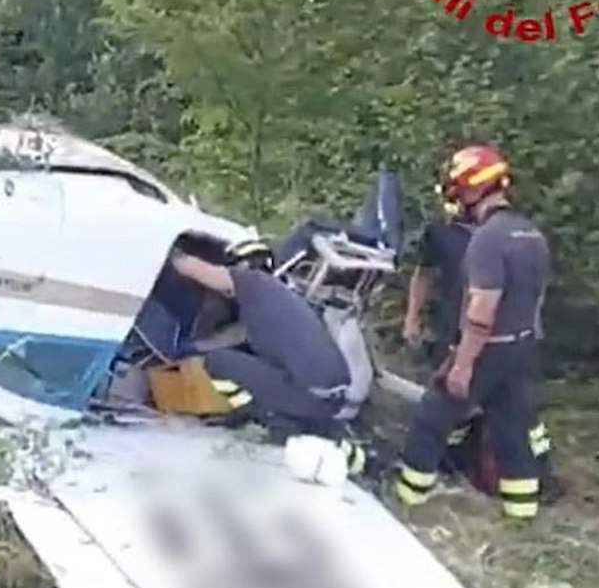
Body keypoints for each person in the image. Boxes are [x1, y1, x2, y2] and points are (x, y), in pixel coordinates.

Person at [392, 144, 551, 520]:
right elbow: (535, 300)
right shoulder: (531, 235)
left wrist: (462, 364)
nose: (456, 200)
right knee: (514, 437)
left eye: (457, 190)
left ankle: (407, 504)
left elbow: (481, 310)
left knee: (430, 421)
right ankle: (522, 516)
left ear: (471, 189)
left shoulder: (487, 239)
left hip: (486, 349)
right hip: (522, 349)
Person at [170, 238, 363, 472]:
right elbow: (232, 337)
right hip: (333, 398)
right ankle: (357, 459)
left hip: (309, 393)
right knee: (310, 421)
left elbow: (192, 269)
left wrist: (171, 253)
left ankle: (259, 418)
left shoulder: (252, 281)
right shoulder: (279, 299)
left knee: (216, 362)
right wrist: (187, 348)